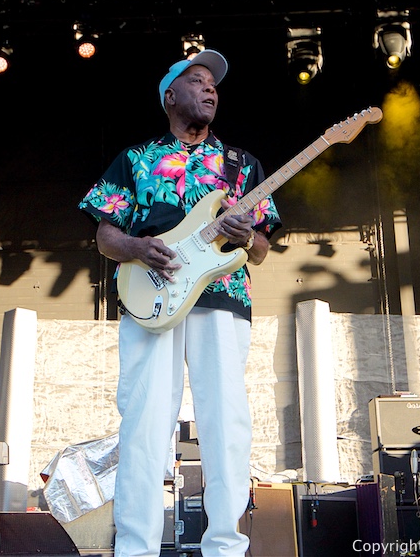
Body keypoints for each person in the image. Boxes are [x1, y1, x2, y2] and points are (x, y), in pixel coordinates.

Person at [78, 49, 282, 557]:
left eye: (214, 84)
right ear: (170, 96)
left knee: (226, 421)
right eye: (197, 81)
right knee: (145, 423)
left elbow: (261, 249)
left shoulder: (242, 165)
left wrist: (245, 235)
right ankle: (136, 548)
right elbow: (106, 235)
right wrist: (137, 247)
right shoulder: (135, 159)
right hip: (151, 295)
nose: (210, 89)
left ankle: (226, 547)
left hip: (222, 297)